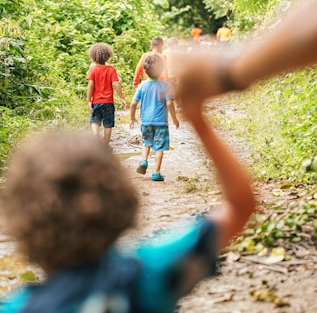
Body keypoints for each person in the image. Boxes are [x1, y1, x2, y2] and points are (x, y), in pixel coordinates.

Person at [0, 76, 255, 312]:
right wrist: (198, 119)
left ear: (18, 223)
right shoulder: (147, 273)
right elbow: (240, 205)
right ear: (122, 201)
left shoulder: (17, 308)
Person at [175, 0, 317, 102]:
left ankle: (222, 63)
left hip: (224, 48)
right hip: (227, 47)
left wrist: (227, 71)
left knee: (223, 52)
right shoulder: (215, 31)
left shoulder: (210, 31)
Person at [130, 54, 179, 182]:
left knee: (147, 143)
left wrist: (132, 118)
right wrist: (174, 119)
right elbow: (169, 103)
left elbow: (133, 103)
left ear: (144, 71)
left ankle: (144, 160)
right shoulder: (166, 86)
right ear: (161, 69)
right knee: (159, 147)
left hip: (146, 122)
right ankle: (156, 173)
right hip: (161, 122)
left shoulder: (142, 86)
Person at [87, 42, 127, 144]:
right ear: (107, 56)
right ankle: (105, 145)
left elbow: (90, 85)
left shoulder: (92, 69)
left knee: (94, 121)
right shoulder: (111, 69)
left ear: (93, 56)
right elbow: (116, 84)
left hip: (96, 101)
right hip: (108, 102)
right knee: (108, 124)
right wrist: (122, 98)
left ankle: (95, 134)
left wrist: (88, 100)